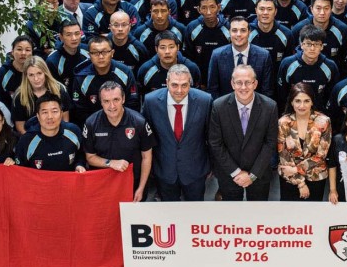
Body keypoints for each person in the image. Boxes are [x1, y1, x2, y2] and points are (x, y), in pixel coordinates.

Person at [142, 65, 213, 201]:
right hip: (164, 171)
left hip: (196, 171)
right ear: (167, 82)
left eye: (184, 85)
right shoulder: (151, 102)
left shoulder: (205, 101)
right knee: (170, 216)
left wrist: (212, 165)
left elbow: (211, 136)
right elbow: (147, 138)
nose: (179, 90)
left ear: (190, 84)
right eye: (174, 85)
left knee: (195, 214)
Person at [208, 65, 279, 201]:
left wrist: (252, 175)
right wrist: (236, 172)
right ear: (232, 84)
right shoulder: (218, 106)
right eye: (239, 82)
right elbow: (215, 143)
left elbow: (270, 143)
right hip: (229, 174)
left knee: (258, 216)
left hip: (259, 173)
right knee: (232, 217)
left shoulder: (270, 107)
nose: (243, 87)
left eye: (248, 82)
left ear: (255, 84)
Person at [84, 81, 155, 201]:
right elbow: (90, 157)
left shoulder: (139, 122)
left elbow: (146, 157)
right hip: (103, 185)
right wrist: (110, 163)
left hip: (133, 184)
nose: (112, 106)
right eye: (106, 101)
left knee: (134, 219)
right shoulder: (91, 123)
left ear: (123, 99)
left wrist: (141, 188)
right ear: (101, 102)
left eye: (116, 99)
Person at [277, 83, 332, 201]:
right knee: (289, 217)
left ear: (312, 102)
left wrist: (297, 169)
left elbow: (321, 155)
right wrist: (301, 183)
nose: (302, 105)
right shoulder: (283, 122)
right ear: (291, 102)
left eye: (306, 101)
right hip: (290, 177)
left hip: (316, 176)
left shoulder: (324, 121)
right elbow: (284, 156)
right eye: (297, 101)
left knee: (313, 217)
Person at [71, 35, 139, 127]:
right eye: (95, 53)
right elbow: (80, 110)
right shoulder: (81, 77)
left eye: (105, 52)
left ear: (112, 53)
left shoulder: (125, 72)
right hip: (93, 126)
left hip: (123, 124)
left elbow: (132, 103)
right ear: (89, 55)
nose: (101, 56)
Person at [206, 16, 274, 99]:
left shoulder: (264, 56)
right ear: (229, 32)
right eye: (234, 30)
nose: (238, 34)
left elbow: (267, 91)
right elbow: (212, 89)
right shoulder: (217, 55)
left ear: (249, 32)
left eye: (243, 30)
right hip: (225, 109)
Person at [15, 94, 86, 172]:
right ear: (38, 116)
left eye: (54, 111)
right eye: (45, 112)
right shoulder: (26, 141)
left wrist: (79, 165)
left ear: (61, 113)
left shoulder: (74, 131)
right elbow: (20, 171)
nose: (50, 116)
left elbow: (81, 154)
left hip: (69, 182)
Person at [277, 25, 340, 112]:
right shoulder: (287, 64)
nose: (312, 48)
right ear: (302, 45)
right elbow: (282, 94)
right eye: (309, 44)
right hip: (292, 112)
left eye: (317, 44)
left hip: (320, 114)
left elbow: (332, 96)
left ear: (322, 46)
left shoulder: (330, 66)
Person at [12, 56, 72, 135]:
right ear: (26, 76)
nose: (36, 79)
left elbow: (65, 119)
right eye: (31, 75)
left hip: (57, 134)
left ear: (45, 72)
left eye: (39, 73)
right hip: (31, 137)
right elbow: (20, 127)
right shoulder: (20, 96)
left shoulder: (59, 90)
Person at [46, 19, 90, 90]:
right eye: (69, 35)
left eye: (77, 33)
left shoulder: (88, 51)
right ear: (61, 37)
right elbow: (54, 89)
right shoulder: (53, 60)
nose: (74, 38)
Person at [0, 35, 34, 111]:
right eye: (19, 49)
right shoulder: (3, 72)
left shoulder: (37, 70)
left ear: (32, 52)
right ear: (12, 51)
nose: (23, 53)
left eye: (27, 50)